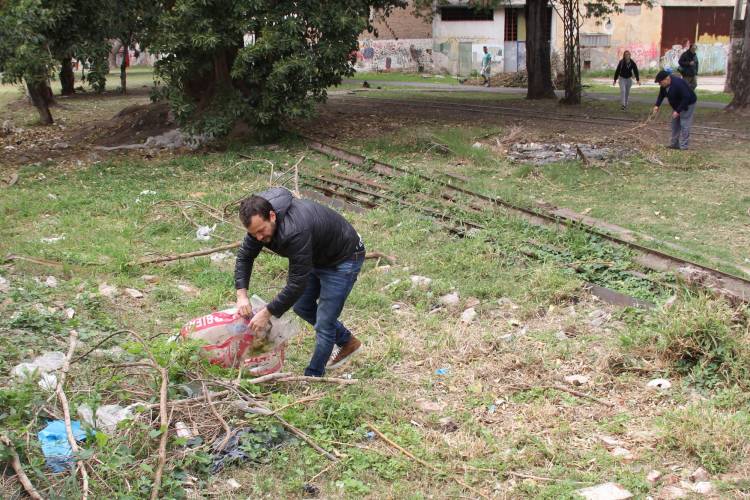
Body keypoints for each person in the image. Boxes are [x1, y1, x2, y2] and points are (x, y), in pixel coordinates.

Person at [234, 187, 365, 377]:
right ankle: (348, 341)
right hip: (316, 254)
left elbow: (296, 283)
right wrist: (241, 295)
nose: (259, 238)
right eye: (254, 234)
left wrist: (266, 313)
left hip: (344, 258)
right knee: (302, 307)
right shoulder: (259, 224)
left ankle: (313, 375)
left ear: (272, 216)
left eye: (261, 231)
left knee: (324, 323)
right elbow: (245, 257)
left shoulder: (294, 231)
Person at [652, 69, 697, 150]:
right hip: (677, 105)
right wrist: (657, 105)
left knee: (684, 124)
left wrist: (678, 111)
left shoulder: (678, 83)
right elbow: (661, 95)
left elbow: (686, 97)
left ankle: (684, 146)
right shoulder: (664, 85)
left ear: (667, 79)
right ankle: (674, 144)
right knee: (674, 124)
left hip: (688, 103)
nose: (659, 84)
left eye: (660, 82)